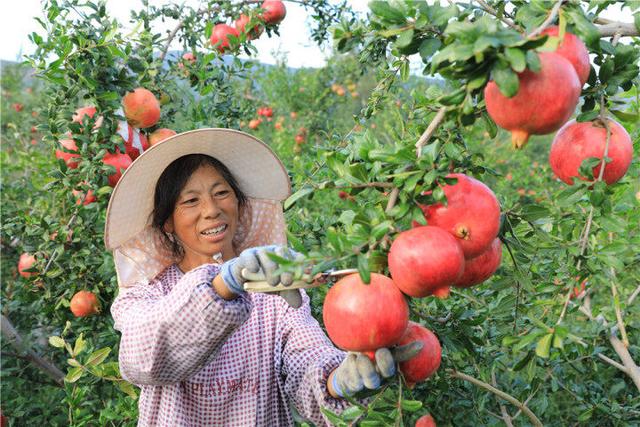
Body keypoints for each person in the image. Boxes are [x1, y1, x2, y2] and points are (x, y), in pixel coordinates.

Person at [105, 128, 420, 426]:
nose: (211, 209)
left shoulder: (275, 293)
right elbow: (141, 360)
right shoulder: (146, 295)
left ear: (240, 206)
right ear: (168, 223)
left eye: (221, 193)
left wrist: (336, 382)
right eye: (190, 201)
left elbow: (305, 355)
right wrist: (223, 285)